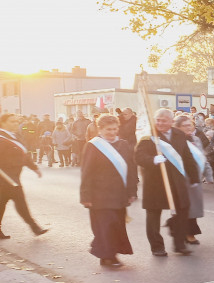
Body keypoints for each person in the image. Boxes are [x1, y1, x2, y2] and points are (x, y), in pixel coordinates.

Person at [135, 108, 200, 257]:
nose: (160, 123)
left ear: (171, 122)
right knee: (153, 216)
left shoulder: (179, 134)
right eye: (157, 120)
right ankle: (157, 246)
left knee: (182, 212)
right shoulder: (148, 135)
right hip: (155, 182)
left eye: (164, 121)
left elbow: (187, 157)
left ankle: (179, 244)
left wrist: (194, 177)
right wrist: (152, 160)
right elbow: (138, 157)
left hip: (176, 182)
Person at [80, 114, 138, 267]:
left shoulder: (124, 145)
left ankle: (109, 254)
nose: (112, 132)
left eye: (114, 129)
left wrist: (132, 191)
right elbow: (86, 172)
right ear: (100, 129)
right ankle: (107, 256)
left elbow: (131, 170)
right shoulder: (93, 146)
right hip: (100, 195)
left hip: (119, 194)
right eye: (108, 129)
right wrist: (85, 196)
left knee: (117, 225)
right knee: (106, 226)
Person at [0, 114, 47, 240]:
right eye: (12, 121)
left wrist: (34, 168)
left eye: (16, 121)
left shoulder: (15, 136)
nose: (15, 124)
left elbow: (24, 155)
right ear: (3, 123)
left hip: (14, 177)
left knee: (2, 204)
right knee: (20, 202)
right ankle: (34, 227)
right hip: (5, 178)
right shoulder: (1, 138)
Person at [173, 115, 211, 246]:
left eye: (190, 125)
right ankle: (186, 233)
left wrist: (208, 173)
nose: (188, 128)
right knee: (183, 206)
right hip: (182, 177)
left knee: (194, 206)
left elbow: (202, 156)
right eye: (184, 125)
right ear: (177, 127)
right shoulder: (175, 140)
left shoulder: (196, 139)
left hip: (195, 177)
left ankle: (190, 232)